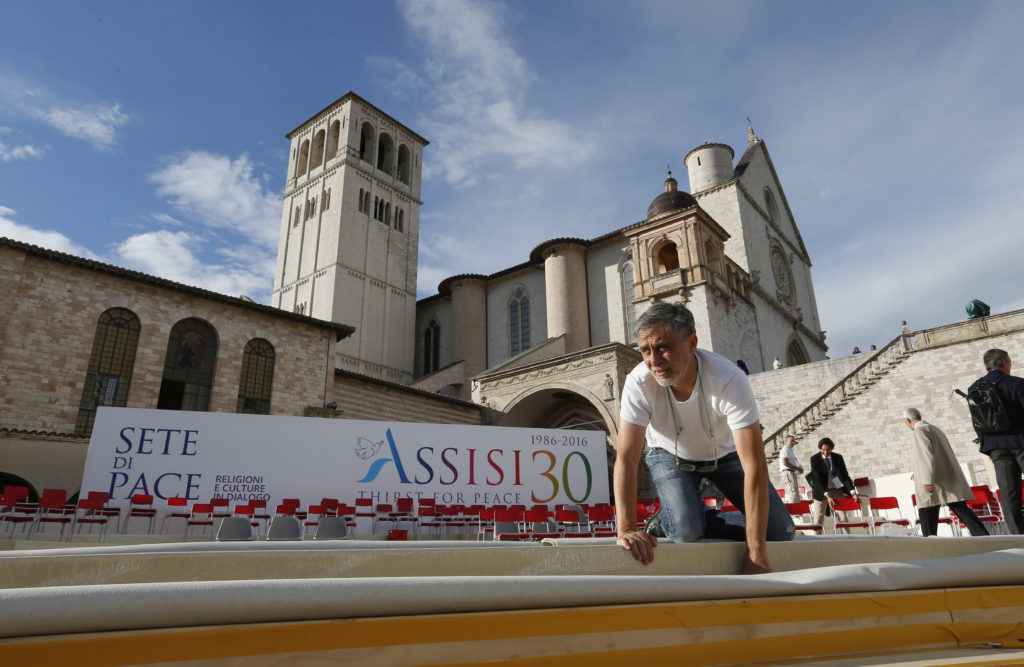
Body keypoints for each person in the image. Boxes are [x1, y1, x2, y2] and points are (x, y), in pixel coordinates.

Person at [614, 302, 794, 572]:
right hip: (668, 453)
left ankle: (690, 516)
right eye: (645, 350)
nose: (654, 361)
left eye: (663, 347)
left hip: (725, 453)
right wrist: (626, 528)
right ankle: (674, 520)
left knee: (782, 530)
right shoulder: (638, 382)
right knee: (686, 532)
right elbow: (626, 458)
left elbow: (754, 465)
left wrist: (756, 553)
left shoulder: (729, 378)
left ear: (692, 343)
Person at [902, 407, 989, 536]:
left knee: (927, 510)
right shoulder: (934, 428)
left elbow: (926, 455)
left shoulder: (919, 431)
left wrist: (926, 479)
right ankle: (983, 535)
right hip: (947, 477)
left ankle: (930, 544)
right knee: (960, 508)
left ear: (908, 420)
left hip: (934, 480)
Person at [969, 349, 1024, 534]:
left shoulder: (974, 388)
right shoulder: (1017, 384)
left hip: (997, 449)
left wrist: (987, 449)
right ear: (1005, 363)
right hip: (1021, 443)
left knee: (1009, 495)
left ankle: (1019, 538)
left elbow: (977, 423)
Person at [809, 437, 857, 528]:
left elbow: (845, 476)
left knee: (843, 519)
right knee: (818, 520)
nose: (826, 452)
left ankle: (847, 540)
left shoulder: (838, 458)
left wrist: (853, 492)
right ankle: (816, 540)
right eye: (823, 450)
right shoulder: (814, 459)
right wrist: (827, 495)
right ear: (820, 449)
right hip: (821, 491)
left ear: (832, 448)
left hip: (836, 490)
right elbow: (817, 478)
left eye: (828, 450)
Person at [778, 435, 804, 502]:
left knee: (795, 494)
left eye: (794, 441)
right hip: (788, 472)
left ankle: (796, 511)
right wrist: (797, 469)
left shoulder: (789, 449)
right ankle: (793, 512)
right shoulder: (785, 449)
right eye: (791, 441)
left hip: (791, 472)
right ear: (786, 441)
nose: (793, 442)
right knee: (793, 494)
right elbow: (785, 462)